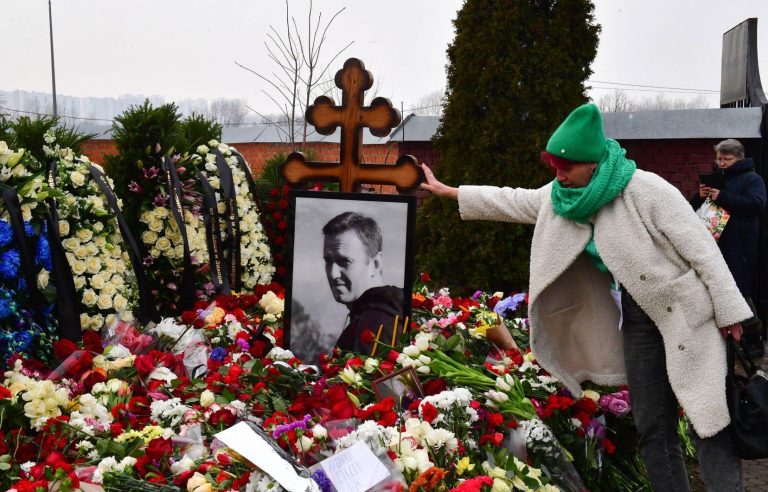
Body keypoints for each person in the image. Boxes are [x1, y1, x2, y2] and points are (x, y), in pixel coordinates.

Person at [420, 103, 751, 491]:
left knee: (708, 420)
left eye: (567, 167)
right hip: (638, 317)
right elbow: (514, 200)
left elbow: (703, 251)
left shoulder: (647, 190)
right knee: (652, 425)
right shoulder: (562, 197)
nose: (558, 175)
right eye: (554, 167)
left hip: (689, 314)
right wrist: (449, 191)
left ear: (593, 163)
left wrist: (730, 313)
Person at [690, 139, 766, 298]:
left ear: (739, 158)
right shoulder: (717, 177)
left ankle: (751, 322)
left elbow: (756, 204)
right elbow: (691, 210)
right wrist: (700, 197)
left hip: (740, 243)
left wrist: (722, 196)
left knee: (739, 288)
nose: (722, 163)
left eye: (727, 159)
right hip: (714, 241)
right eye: (719, 159)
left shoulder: (752, 179)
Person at [322, 212, 404, 356]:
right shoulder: (393, 313)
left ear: (376, 263)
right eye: (328, 261)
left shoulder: (371, 327)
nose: (333, 274)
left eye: (345, 261)